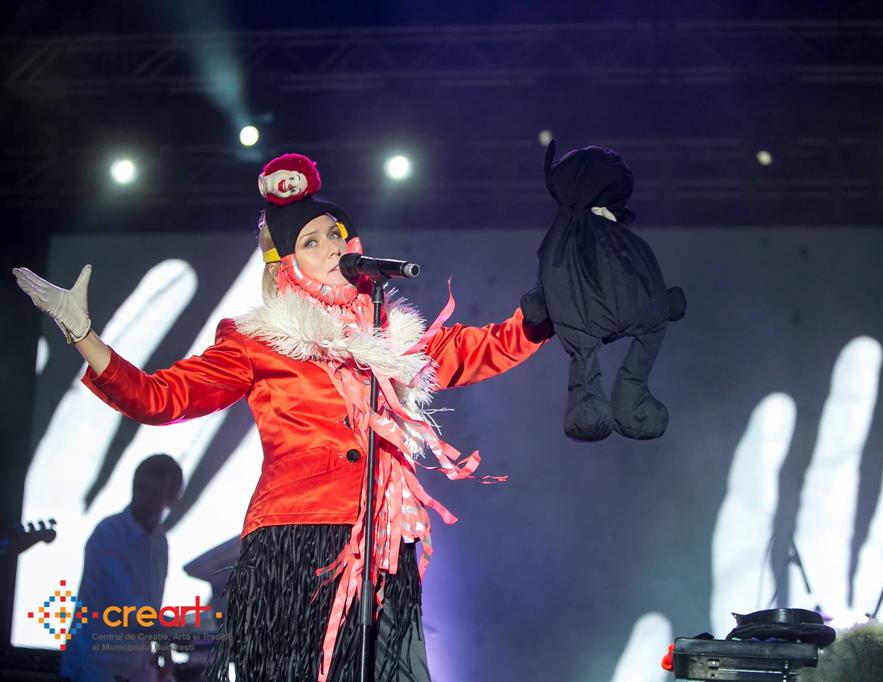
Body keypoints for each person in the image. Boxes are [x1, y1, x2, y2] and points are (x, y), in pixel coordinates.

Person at [15, 152, 551, 682]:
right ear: (287, 265)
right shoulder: (259, 342)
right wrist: (83, 334)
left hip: (379, 542)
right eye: (311, 242)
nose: (332, 246)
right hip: (295, 543)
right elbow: (159, 398)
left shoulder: (390, 337)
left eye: (335, 234)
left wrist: (542, 311)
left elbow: (480, 348)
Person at [59, 454, 182, 682]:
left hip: (137, 667)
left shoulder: (160, 541)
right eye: (140, 488)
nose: (143, 498)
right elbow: (126, 607)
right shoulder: (107, 534)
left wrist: (163, 645)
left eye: (154, 493)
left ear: (172, 500)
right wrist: (177, 628)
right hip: (94, 668)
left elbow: (149, 608)